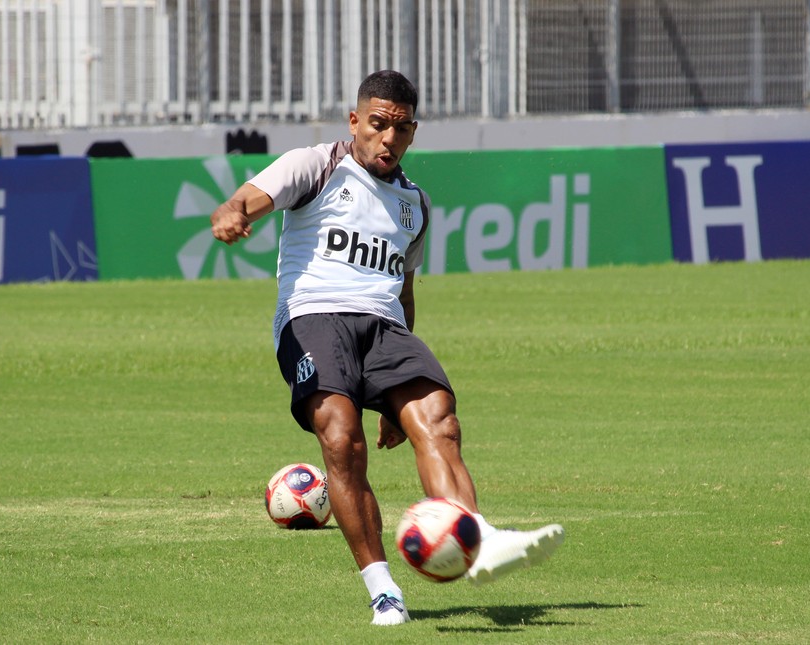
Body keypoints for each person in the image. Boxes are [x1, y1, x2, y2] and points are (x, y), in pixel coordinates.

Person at [210, 70, 564, 624]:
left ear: (413, 132)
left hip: (385, 329)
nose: (387, 139)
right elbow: (245, 200)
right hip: (313, 318)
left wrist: (399, 389)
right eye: (377, 125)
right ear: (355, 121)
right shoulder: (316, 165)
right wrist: (232, 215)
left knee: (439, 420)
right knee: (343, 440)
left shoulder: (416, 205)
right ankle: (384, 591)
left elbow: (403, 288)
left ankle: (481, 538)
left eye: (399, 130)